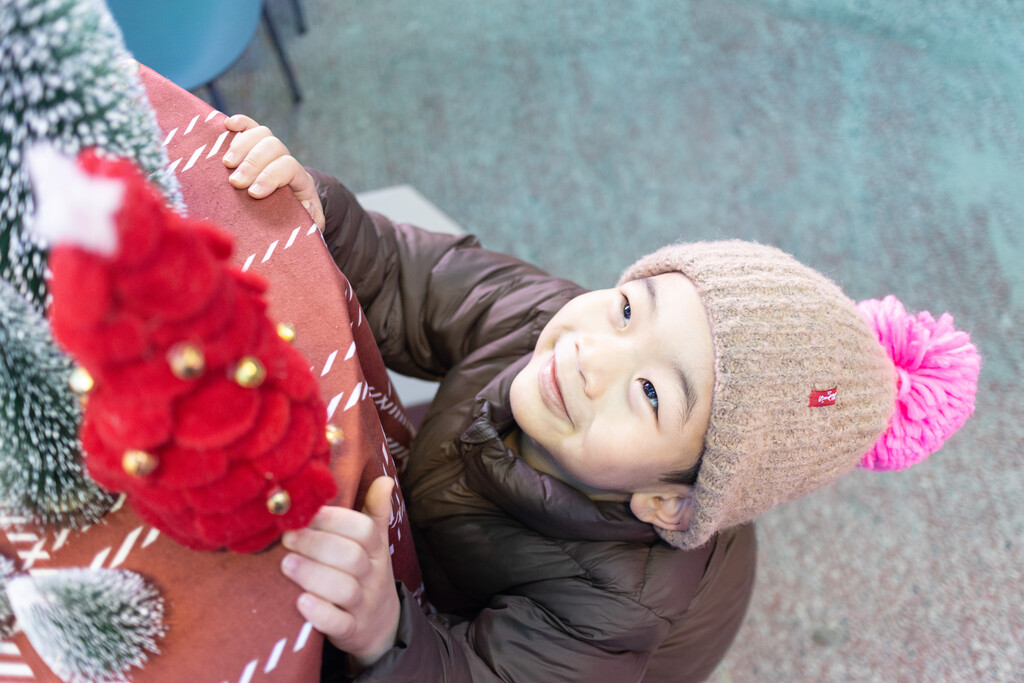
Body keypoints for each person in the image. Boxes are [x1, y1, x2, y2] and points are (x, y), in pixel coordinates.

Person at [220, 115, 981, 682]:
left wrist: (389, 632)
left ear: (665, 502)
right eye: (627, 308)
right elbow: (405, 277)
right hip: (441, 499)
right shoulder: (550, 321)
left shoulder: (618, 602)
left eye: (649, 391)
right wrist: (322, 213)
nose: (591, 355)